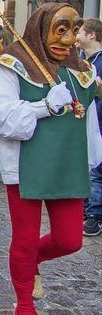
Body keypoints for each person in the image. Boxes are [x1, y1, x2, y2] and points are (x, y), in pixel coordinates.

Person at [0, 3, 102, 314]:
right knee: (24, 239)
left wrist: (90, 158)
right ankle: (23, 304)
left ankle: (34, 259)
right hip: (25, 165)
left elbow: (86, 120)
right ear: (41, 27)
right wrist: (43, 107)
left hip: (67, 164)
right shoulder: (11, 65)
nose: (68, 39)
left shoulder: (82, 72)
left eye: (74, 30)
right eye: (61, 30)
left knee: (70, 240)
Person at [76, 18, 102, 236]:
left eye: (80, 32)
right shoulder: (81, 59)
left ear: (92, 35)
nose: (76, 36)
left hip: (100, 122)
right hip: (86, 121)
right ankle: (86, 209)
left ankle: (94, 216)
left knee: (95, 171)